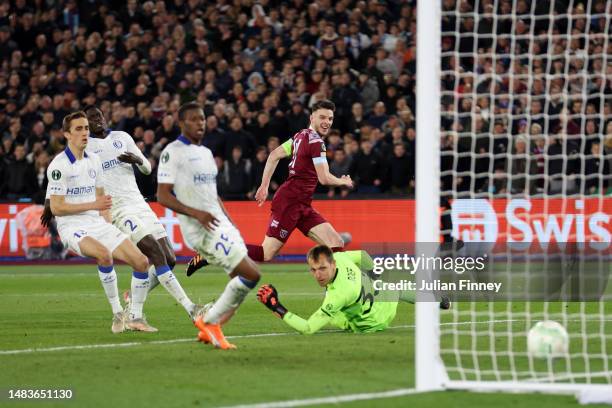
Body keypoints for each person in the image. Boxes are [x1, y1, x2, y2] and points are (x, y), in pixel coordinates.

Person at [185, 99, 353, 275]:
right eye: (322, 117)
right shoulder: (316, 143)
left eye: (330, 118)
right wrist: (343, 181)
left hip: (302, 204)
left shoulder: (300, 136)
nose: (327, 122)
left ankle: (339, 291)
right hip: (290, 202)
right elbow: (324, 178)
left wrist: (264, 186)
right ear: (312, 117)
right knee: (266, 253)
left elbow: (274, 155)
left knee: (336, 243)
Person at [156, 102, 261, 350]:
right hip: (200, 229)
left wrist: (229, 220)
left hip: (219, 224)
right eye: (193, 119)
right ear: (181, 123)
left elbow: (212, 195)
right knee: (252, 274)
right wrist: (197, 214)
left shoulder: (206, 154)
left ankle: (210, 330)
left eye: (202, 119)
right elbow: (162, 195)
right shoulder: (172, 152)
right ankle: (210, 322)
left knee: (240, 282)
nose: (200, 123)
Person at [46, 111, 151, 333]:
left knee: (141, 262)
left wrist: (109, 226)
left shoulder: (94, 160)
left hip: (98, 222)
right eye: (79, 129)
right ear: (66, 134)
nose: (85, 132)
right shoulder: (59, 166)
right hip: (72, 226)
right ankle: (117, 313)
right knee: (104, 254)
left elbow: (102, 200)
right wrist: (92, 206)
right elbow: (56, 208)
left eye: (86, 128)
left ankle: (136, 317)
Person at [256, 245, 450, 334]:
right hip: (377, 301)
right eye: (313, 270)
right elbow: (363, 255)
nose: (318, 275)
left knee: (333, 314)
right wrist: (375, 276)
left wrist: (277, 307)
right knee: (396, 287)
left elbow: (308, 328)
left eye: (322, 269)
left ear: (332, 264)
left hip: (370, 324)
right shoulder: (341, 258)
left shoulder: (338, 295)